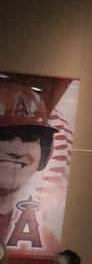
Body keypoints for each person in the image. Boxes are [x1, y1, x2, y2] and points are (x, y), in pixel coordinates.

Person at [0, 84, 62, 255]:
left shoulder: (49, 242)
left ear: (45, 153)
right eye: (3, 136)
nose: (17, 150)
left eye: (29, 138)